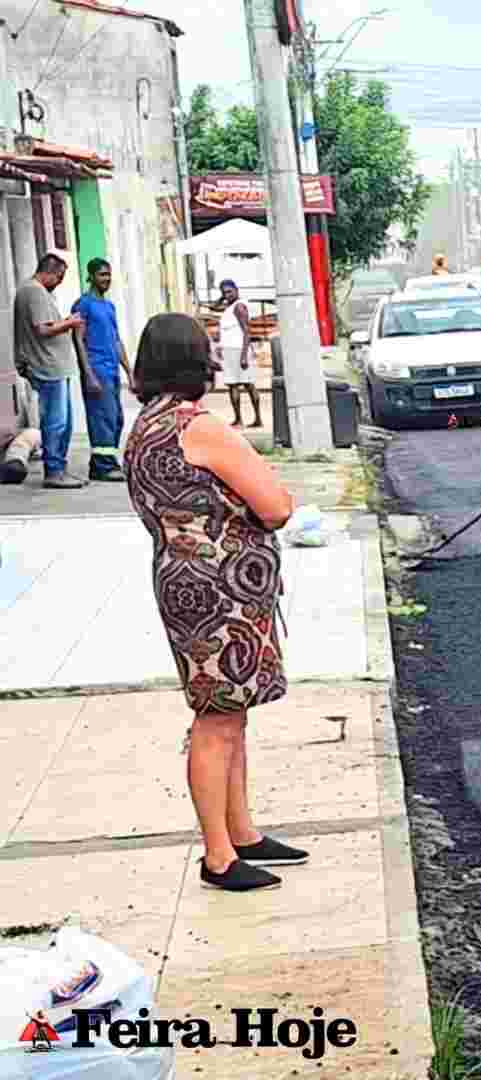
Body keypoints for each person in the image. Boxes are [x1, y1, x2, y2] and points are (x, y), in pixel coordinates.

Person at [124, 312, 305, 893]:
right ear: (196, 361)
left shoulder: (143, 428)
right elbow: (275, 506)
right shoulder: (197, 426)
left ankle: (242, 833)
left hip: (180, 576)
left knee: (228, 710)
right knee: (216, 718)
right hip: (221, 586)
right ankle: (219, 856)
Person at [13, 252, 91, 489]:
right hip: (47, 367)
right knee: (56, 421)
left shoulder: (35, 291)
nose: (59, 283)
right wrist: (71, 322)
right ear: (51, 272)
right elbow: (43, 329)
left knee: (62, 421)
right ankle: (54, 471)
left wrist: (66, 321)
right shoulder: (34, 291)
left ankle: (59, 468)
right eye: (59, 277)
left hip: (54, 366)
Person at [72, 259, 132, 482]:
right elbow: (78, 339)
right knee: (102, 418)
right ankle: (103, 466)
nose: (106, 279)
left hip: (112, 369)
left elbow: (117, 341)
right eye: (101, 275)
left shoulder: (109, 306)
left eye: (108, 274)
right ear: (91, 276)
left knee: (116, 419)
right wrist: (88, 374)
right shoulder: (83, 304)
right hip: (96, 369)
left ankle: (102, 463)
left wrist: (129, 372)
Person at [211, 280, 261, 428]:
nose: (227, 295)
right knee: (238, 385)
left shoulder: (239, 307)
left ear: (236, 290)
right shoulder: (230, 306)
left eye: (229, 291)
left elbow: (247, 332)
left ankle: (249, 419)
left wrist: (244, 355)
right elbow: (214, 307)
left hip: (239, 350)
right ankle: (243, 419)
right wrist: (223, 298)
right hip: (230, 350)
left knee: (244, 385)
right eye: (224, 292)